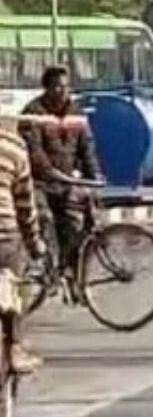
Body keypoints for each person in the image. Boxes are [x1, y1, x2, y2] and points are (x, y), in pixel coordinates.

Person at [21, 66, 100, 278]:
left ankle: (70, 272)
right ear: (46, 88)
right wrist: (51, 172)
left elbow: (87, 148)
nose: (61, 91)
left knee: (75, 225)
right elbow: (34, 152)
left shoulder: (77, 113)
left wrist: (95, 178)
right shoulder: (33, 113)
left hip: (66, 183)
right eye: (56, 86)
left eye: (65, 87)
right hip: (39, 184)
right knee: (45, 219)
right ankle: (45, 265)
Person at [0, 115, 45, 374]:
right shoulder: (14, 147)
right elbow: (26, 207)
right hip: (5, 237)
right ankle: (15, 345)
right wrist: (34, 242)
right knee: (17, 286)